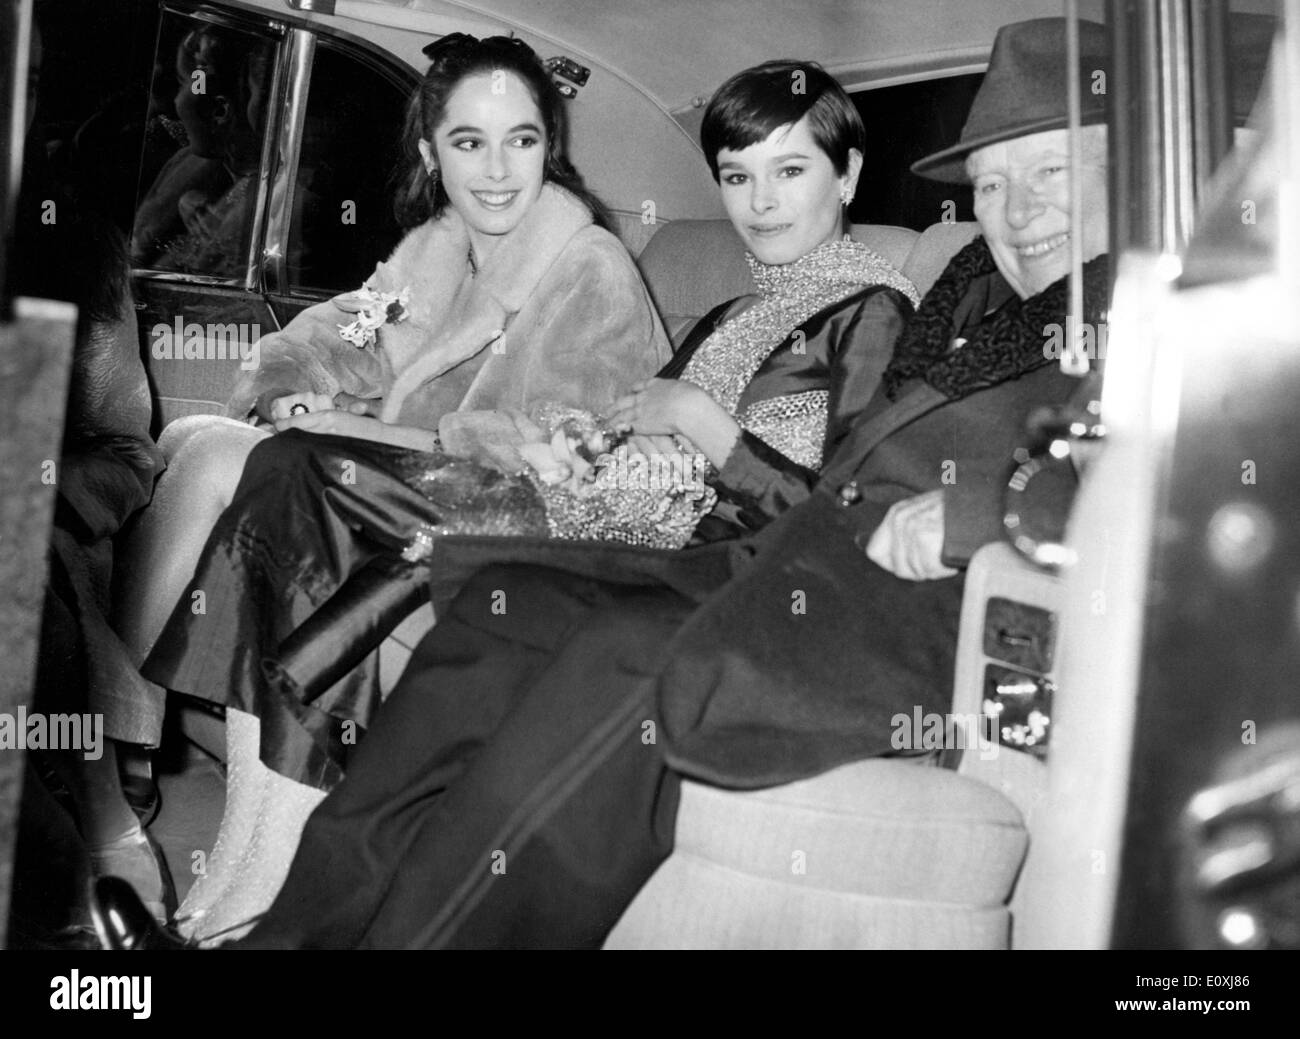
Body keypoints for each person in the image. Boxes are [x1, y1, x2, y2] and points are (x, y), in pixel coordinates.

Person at [97, 17, 1108, 950]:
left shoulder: (1123, 311)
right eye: (990, 184)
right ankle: (277, 931)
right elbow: (367, 335)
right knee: (488, 609)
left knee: (569, 624)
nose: (1015, 215)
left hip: (819, 586)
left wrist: (976, 508)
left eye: (1050, 177)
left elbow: (1154, 467)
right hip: (715, 542)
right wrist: (576, 434)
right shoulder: (958, 292)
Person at [7, 21, 167, 941]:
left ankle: (97, 824)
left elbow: (126, 440)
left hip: (57, 503)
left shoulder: (76, 241)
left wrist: (39, 481)